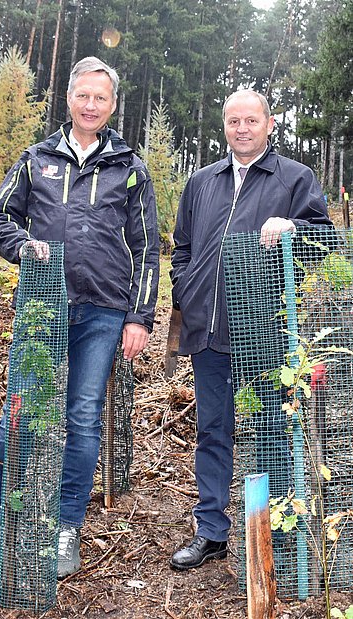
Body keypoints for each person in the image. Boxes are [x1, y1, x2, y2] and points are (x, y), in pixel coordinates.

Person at [0, 56, 159, 578]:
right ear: (69, 98)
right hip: (42, 304)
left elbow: (147, 246)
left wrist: (139, 317)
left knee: (81, 420)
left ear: (112, 105)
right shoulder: (36, 159)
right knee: (20, 412)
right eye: (83, 95)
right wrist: (22, 246)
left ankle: (65, 531)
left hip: (104, 311)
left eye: (101, 98)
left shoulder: (129, 168)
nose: (91, 105)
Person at [169, 89, 332, 570]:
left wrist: (292, 230)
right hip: (209, 331)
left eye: (251, 120)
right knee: (213, 430)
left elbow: (323, 239)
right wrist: (188, 287)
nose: (242, 129)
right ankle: (212, 533)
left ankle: (272, 530)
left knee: (270, 431)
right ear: (224, 126)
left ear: (270, 124)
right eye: (233, 121)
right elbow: (181, 247)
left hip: (266, 328)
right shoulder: (202, 181)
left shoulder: (294, 178)